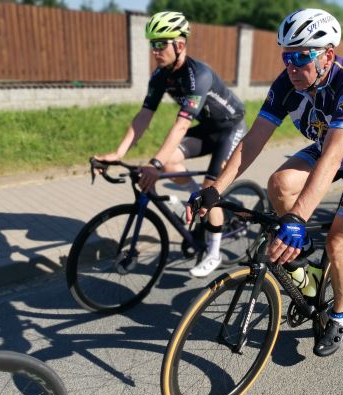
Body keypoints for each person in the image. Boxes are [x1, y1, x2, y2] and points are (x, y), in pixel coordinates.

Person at [187, 9, 343, 357]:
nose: (292, 67)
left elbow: (332, 158)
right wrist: (216, 188)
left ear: (327, 54)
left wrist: (297, 217)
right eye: (287, 57)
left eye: (302, 56)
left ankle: (339, 316)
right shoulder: (286, 84)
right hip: (328, 147)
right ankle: (305, 260)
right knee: (280, 183)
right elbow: (252, 141)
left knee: (338, 244)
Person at [94, 11, 247, 277]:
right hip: (208, 128)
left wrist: (154, 163)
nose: (155, 50)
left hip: (230, 128)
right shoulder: (160, 76)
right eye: (152, 44)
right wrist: (118, 152)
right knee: (171, 162)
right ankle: (192, 199)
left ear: (180, 44)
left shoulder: (197, 75)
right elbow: (143, 116)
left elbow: (181, 125)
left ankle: (214, 252)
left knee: (209, 192)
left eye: (160, 43)